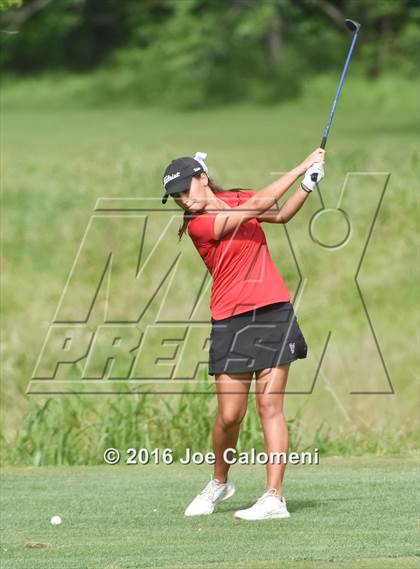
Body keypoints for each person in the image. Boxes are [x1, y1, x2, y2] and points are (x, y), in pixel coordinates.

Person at [161, 148, 325, 520]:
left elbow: (279, 213)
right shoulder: (197, 224)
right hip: (231, 320)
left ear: (202, 177)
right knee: (230, 416)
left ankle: (274, 497)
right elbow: (258, 206)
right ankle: (220, 482)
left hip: (273, 310)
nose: (183, 200)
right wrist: (300, 163)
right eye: (177, 197)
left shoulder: (235, 197)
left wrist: (306, 185)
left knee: (270, 407)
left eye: (185, 190)